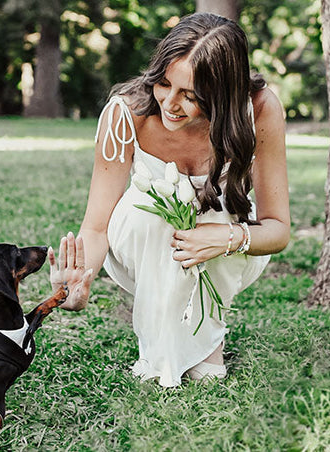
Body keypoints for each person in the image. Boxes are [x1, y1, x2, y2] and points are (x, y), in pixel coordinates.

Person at [48, 12, 290, 387]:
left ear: (222, 95)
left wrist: (225, 239)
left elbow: (277, 230)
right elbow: (96, 226)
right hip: (142, 243)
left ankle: (206, 341)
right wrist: (80, 280)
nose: (170, 103)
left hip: (227, 250)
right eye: (164, 83)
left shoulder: (258, 109)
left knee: (217, 213)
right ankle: (162, 347)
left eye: (191, 95)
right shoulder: (127, 113)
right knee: (155, 211)